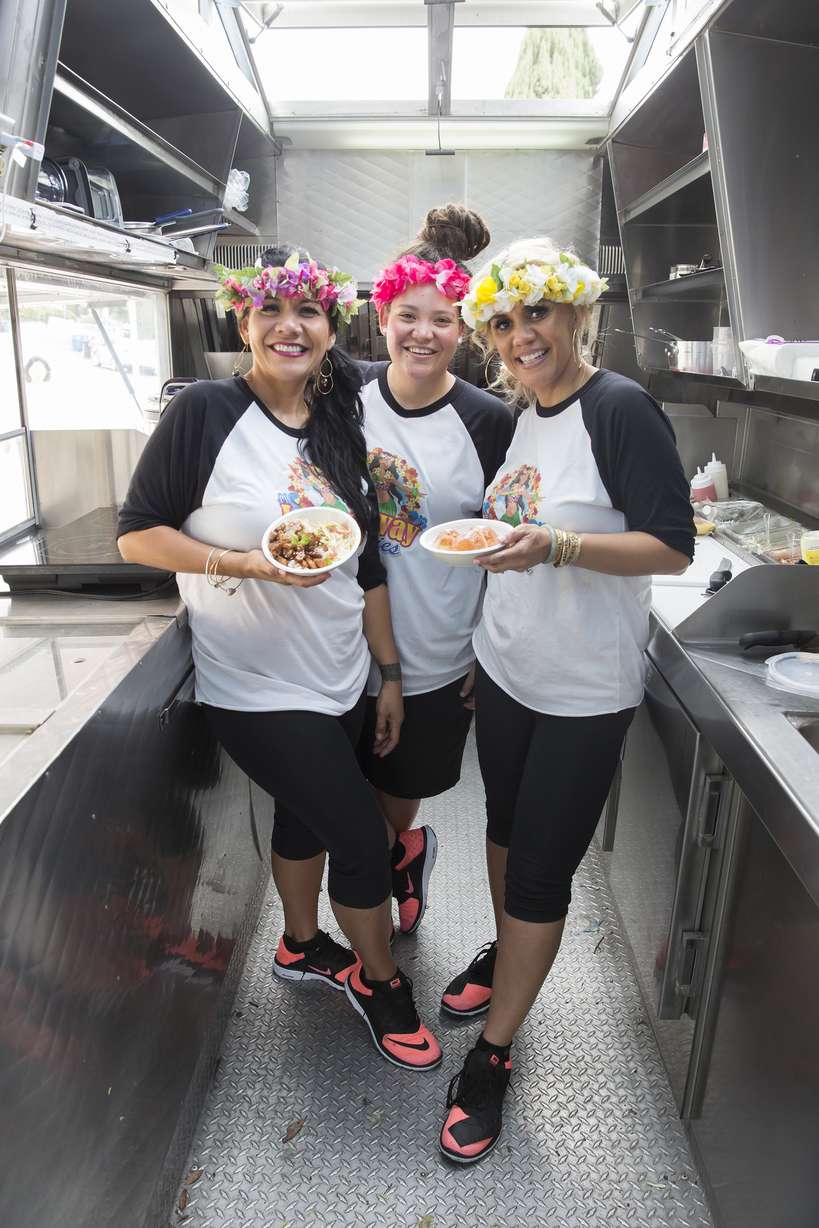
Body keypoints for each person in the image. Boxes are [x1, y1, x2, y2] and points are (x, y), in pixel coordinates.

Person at [117, 246, 442, 1072]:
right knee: (363, 843)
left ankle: (300, 946)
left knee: (306, 817)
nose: (290, 328)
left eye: (308, 313)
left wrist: (390, 673)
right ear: (244, 321)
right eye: (272, 312)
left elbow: (364, 562)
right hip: (256, 683)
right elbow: (138, 531)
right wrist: (242, 564)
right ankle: (377, 981)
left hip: (338, 670)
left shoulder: (340, 420)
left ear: (332, 330)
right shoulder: (204, 414)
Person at [437, 237, 696, 1161]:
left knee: (543, 870)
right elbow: (509, 535)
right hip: (508, 670)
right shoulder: (522, 415)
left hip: (583, 690)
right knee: (501, 831)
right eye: (502, 323)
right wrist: (485, 636)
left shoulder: (619, 408)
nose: (520, 335)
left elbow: (672, 546)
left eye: (536, 312)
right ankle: (505, 956)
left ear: (575, 312)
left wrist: (559, 548)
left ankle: (495, 1056)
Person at [358, 205, 515, 935]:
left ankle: (401, 851)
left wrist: (490, 646)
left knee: (399, 784)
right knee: (340, 789)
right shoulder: (339, 399)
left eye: (443, 318)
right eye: (408, 315)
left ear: (464, 330)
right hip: (335, 642)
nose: (423, 332)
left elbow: (512, 543)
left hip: (440, 645)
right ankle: (373, 871)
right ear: (381, 316)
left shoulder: (488, 421)